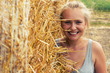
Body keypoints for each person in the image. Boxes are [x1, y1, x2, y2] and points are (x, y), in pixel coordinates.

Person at [56, 1, 107, 73]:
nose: (73, 27)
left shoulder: (95, 49)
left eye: (78, 22)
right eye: (67, 22)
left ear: (85, 23)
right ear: (61, 23)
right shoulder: (52, 47)